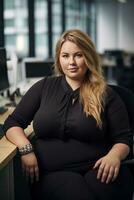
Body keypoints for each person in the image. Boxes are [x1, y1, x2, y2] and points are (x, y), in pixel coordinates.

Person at [4, 29, 133, 200]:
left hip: (101, 169)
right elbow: (13, 122)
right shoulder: (44, 87)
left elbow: (123, 139)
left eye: (78, 55)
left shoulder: (106, 94)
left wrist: (114, 156)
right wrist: (26, 149)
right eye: (65, 56)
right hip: (53, 172)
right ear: (58, 58)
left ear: (88, 57)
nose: (71, 62)